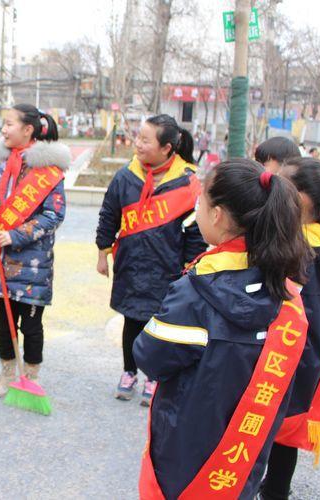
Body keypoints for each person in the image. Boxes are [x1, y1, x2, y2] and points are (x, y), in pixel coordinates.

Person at [134, 159, 312, 499]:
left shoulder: (197, 292)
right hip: (243, 455)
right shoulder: (286, 291)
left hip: (186, 446)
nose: (197, 208)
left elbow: (149, 356)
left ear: (217, 215)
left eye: (200, 201)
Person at [259, 157, 320, 500]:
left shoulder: (301, 252)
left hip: (286, 361)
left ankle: (272, 492)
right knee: (284, 438)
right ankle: (275, 490)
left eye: (283, 184)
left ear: (303, 199)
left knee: (271, 431)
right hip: (306, 361)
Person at [95, 114, 206, 406]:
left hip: (168, 270)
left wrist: (190, 268)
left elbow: (196, 231)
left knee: (162, 326)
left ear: (167, 148)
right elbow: (109, 216)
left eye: (145, 140)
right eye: (138, 137)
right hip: (131, 265)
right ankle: (129, 372)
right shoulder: (125, 176)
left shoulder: (187, 183)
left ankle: (154, 377)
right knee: (131, 321)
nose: (138, 144)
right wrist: (102, 252)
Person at [0, 103, 69, 397]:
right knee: (3, 323)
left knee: (32, 325)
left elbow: (53, 216)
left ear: (28, 130)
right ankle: (7, 372)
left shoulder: (48, 171)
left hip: (33, 264)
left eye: (10, 123)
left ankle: (32, 376)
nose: (4, 129)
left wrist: (13, 235)